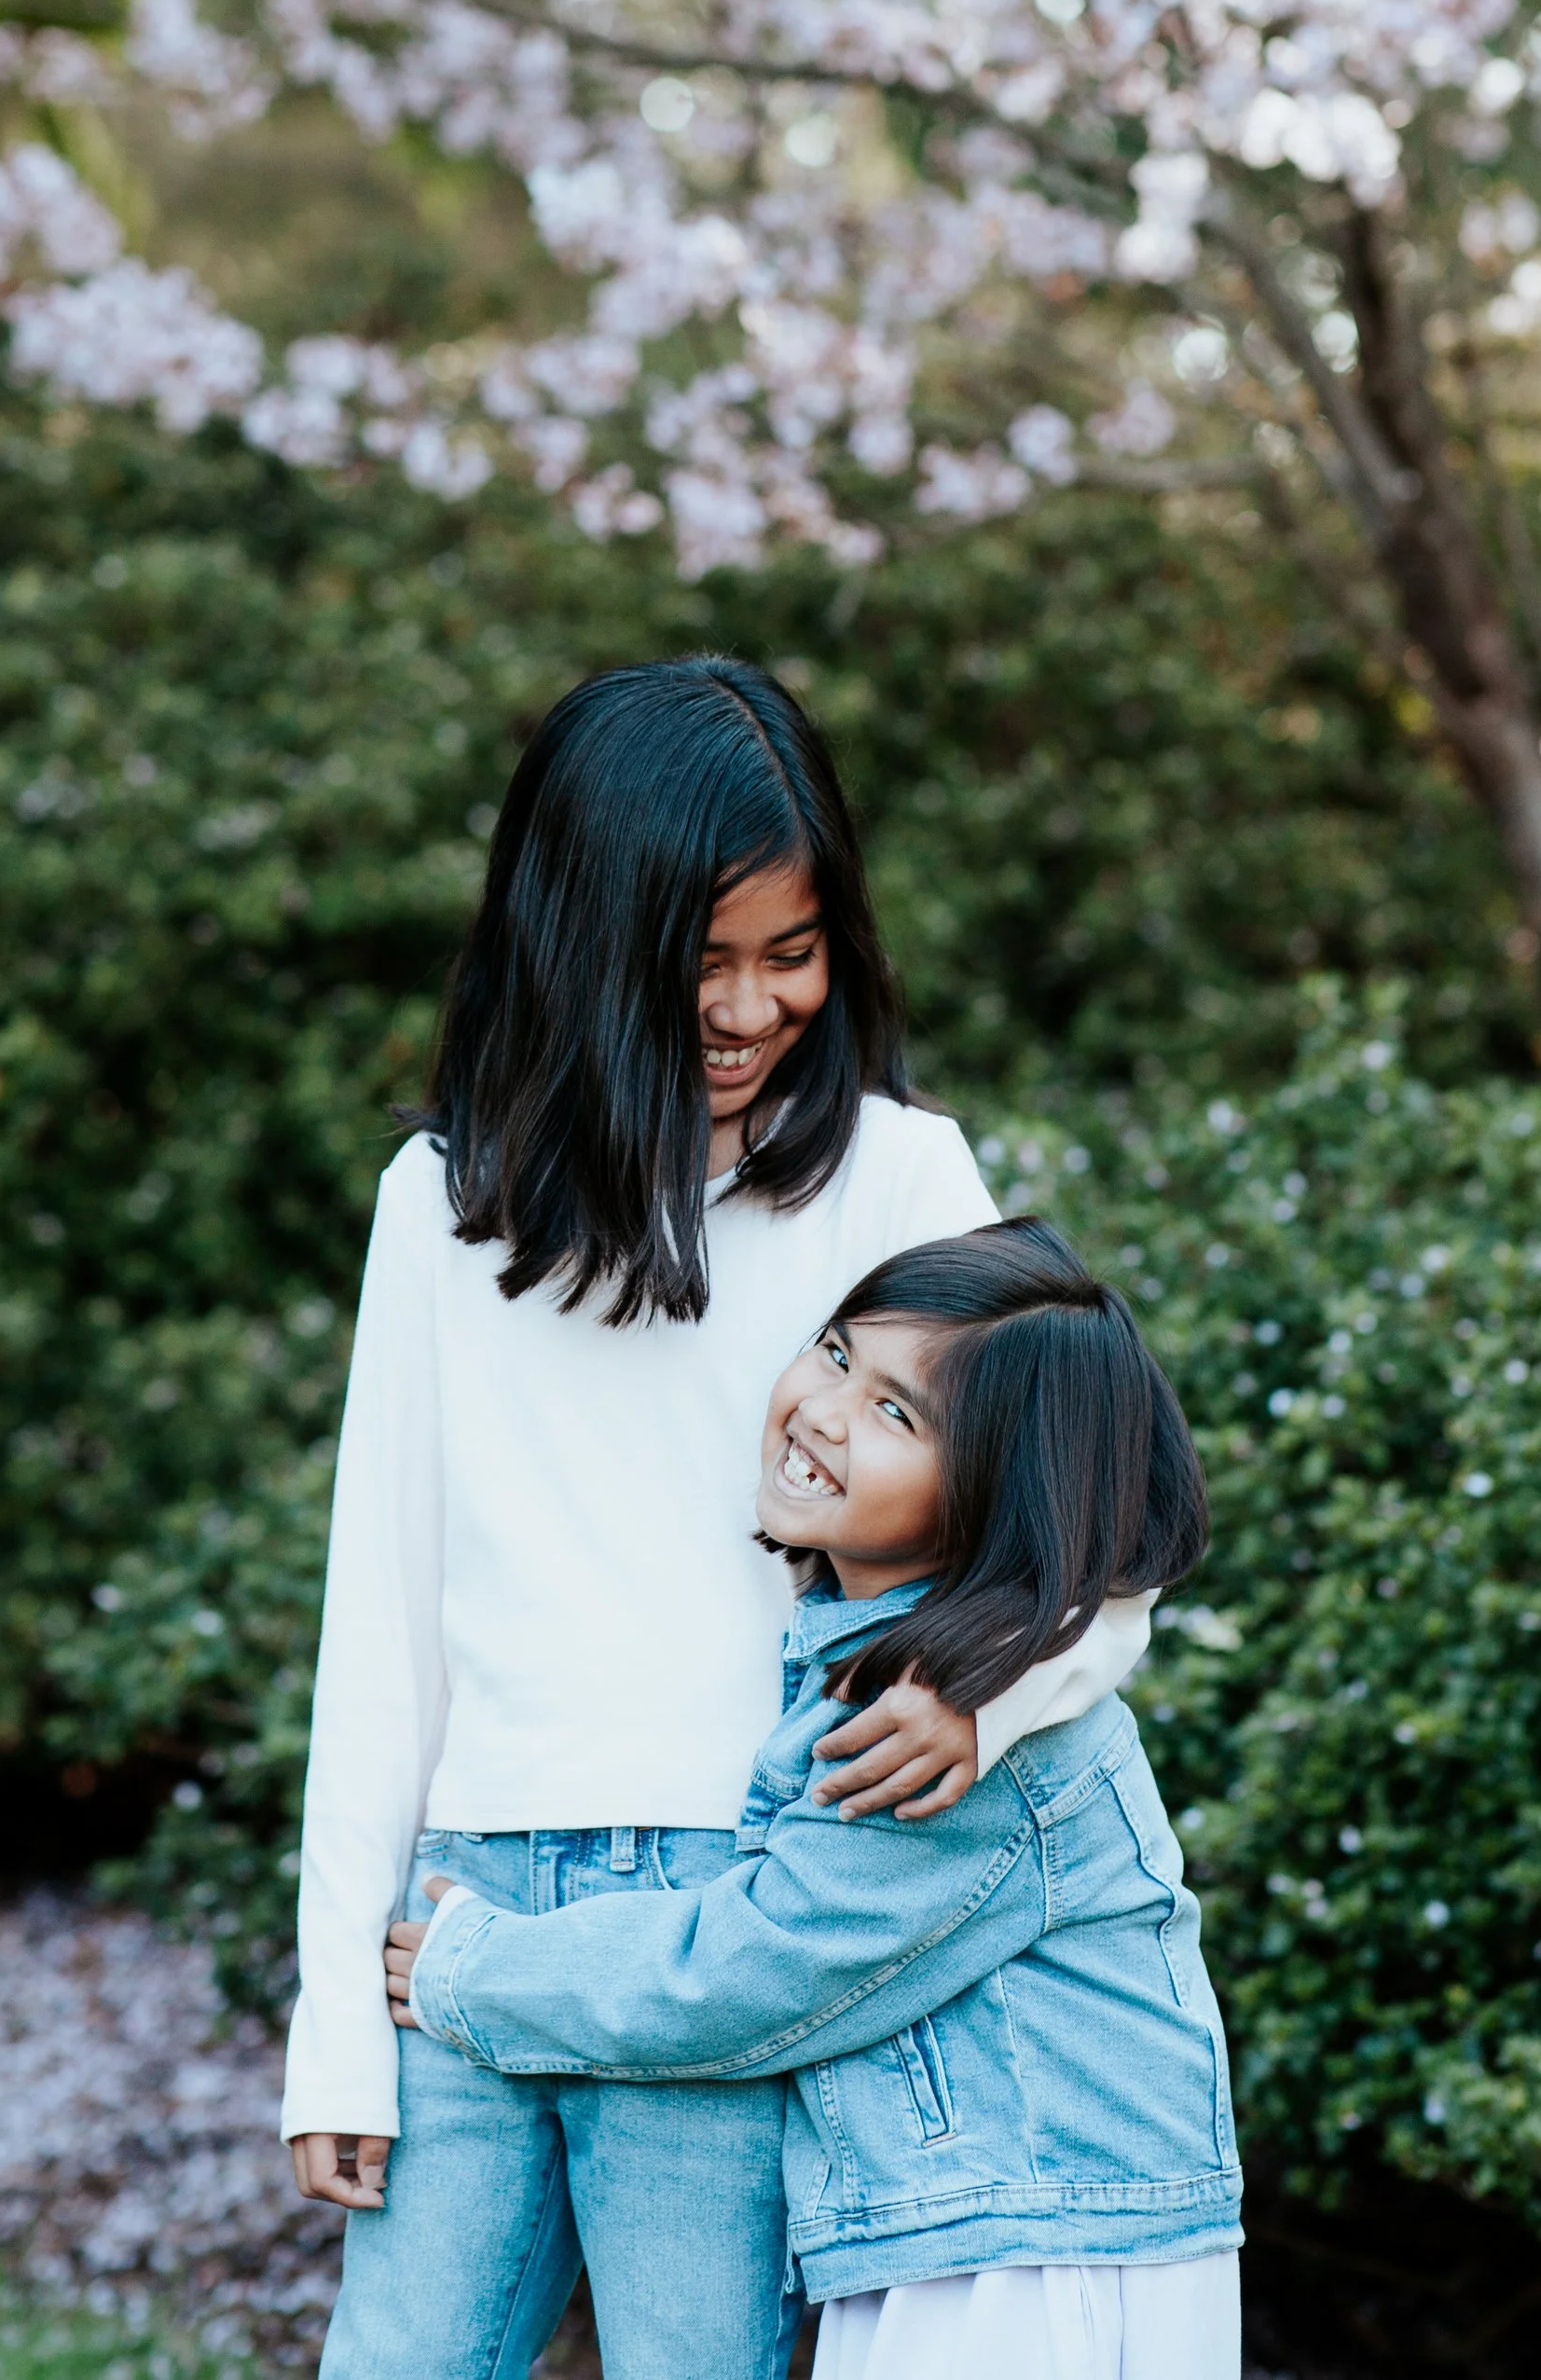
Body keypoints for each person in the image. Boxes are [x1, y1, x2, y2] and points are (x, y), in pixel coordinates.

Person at [285, 659, 1157, 2380]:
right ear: (580, 939)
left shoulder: (902, 1178)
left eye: (794, 952)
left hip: (729, 1920)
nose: (753, 1008)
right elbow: (376, 1632)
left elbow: (1091, 1554)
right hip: (458, 1919)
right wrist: (333, 2015)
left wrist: (982, 1695)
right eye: (700, 962)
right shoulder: (440, 1208)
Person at [390, 1223, 1241, 2380]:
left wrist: (472, 1966)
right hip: (970, 2226)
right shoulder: (885, 1665)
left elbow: (750, 1969)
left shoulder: (937, 1735)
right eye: (836, 1355)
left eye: (899, 1414)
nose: (825, 1411)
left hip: (1040, 2247)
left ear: (1001, 1490)